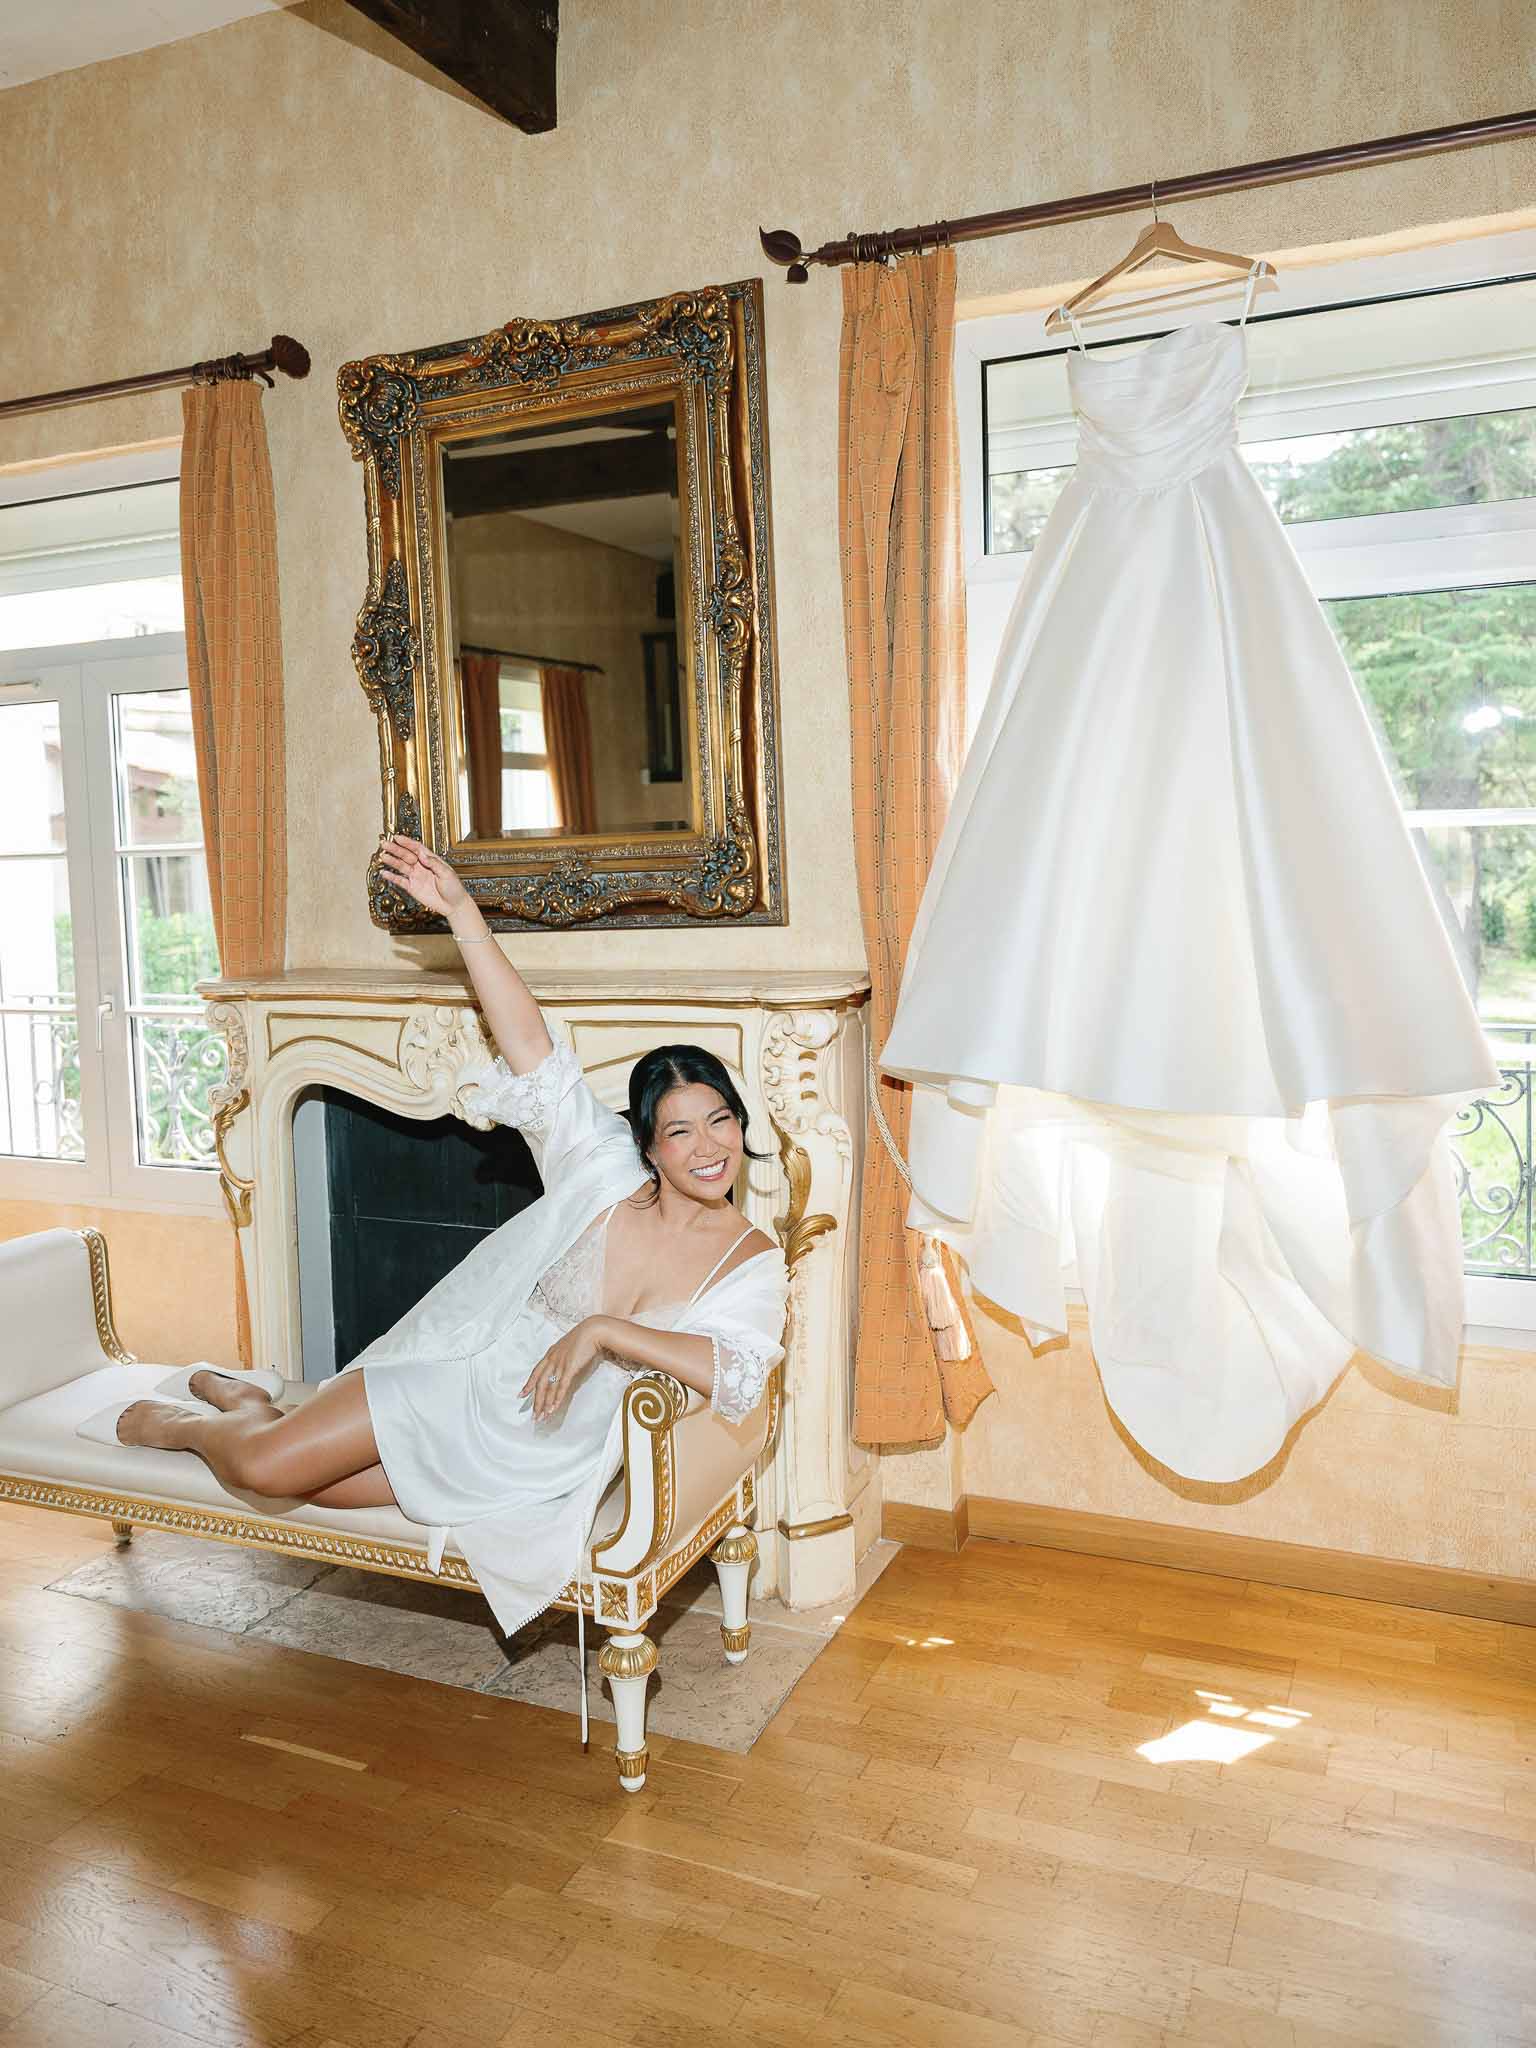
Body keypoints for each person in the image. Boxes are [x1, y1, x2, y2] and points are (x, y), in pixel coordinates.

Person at [86, 834, 789, 1635]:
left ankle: (255, 1403)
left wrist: (601, 1330)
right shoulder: (599, 1169)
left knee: (315, 1482)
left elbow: (736, 1371)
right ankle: (197, 1425)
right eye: (680, 1132)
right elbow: (530, 1044)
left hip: (534, 1449)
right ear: (647, 1147)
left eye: (721, 1121)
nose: (708, 1149)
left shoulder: (750, 1259)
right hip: (458, 1377)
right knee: (265, 1469)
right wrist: (462, 913)